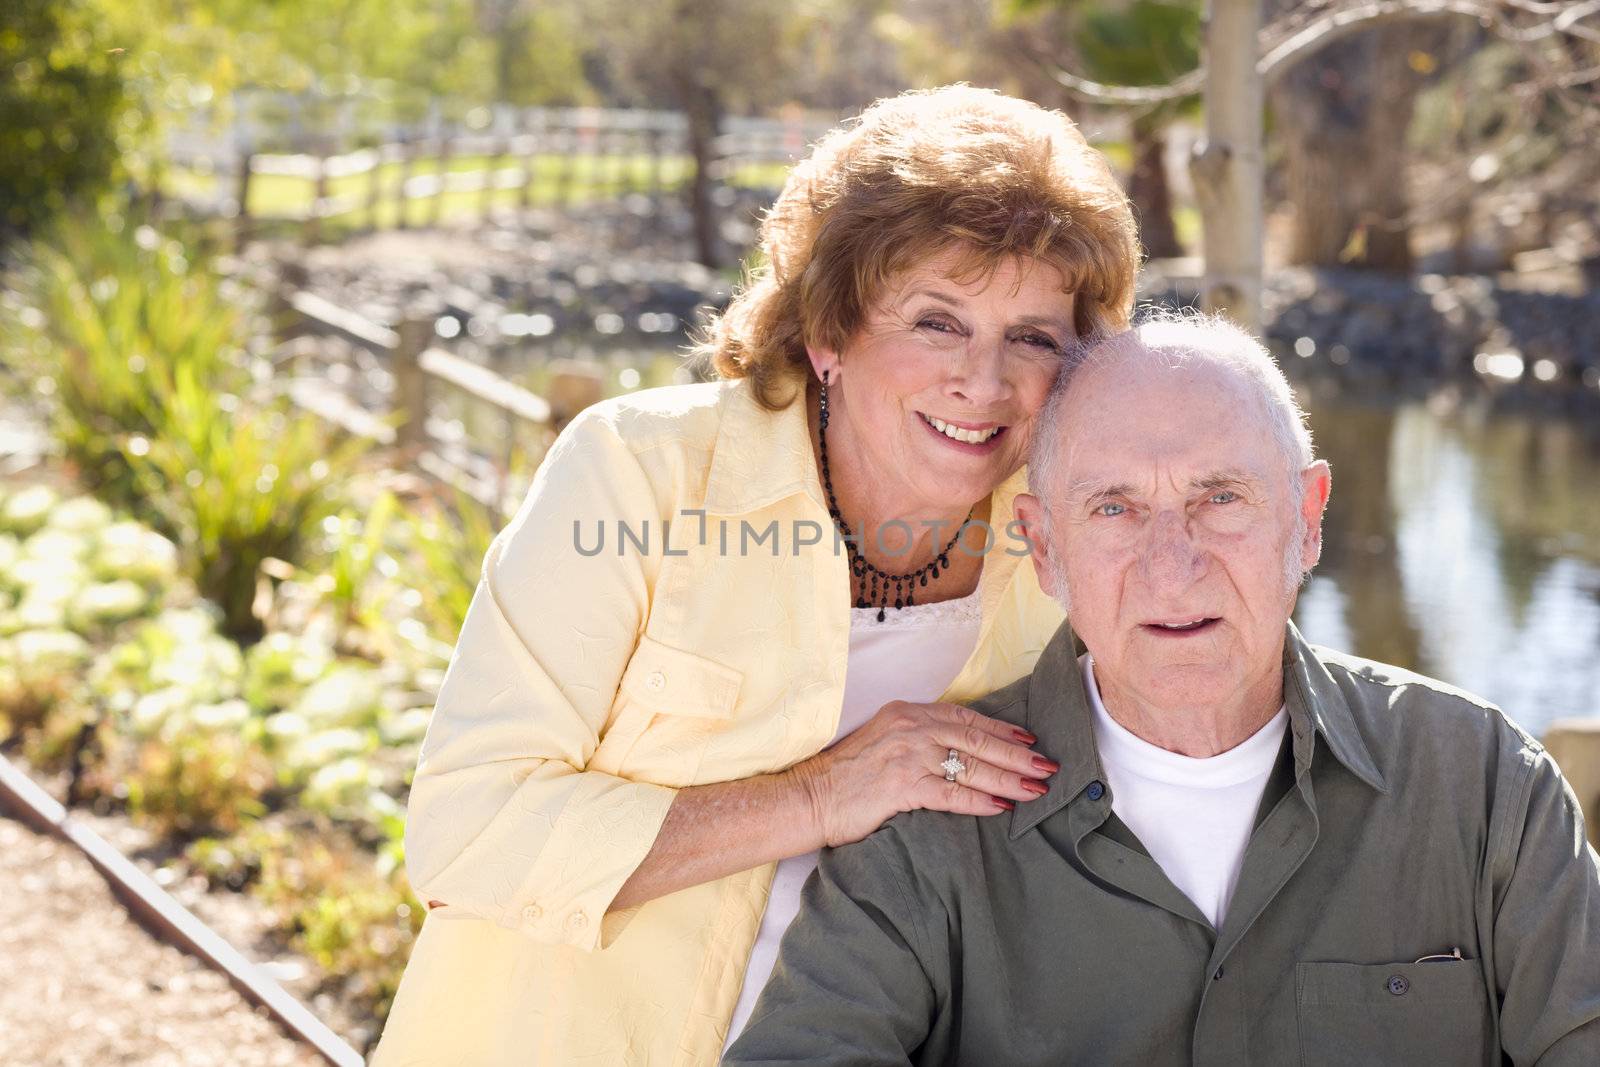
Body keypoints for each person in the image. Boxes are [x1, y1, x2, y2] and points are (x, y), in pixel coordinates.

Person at [369, 85, 1140, 1065]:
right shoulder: (639, 470)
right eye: (937, 322)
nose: (983, 381)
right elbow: (465, 838)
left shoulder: (1067, 531)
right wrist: (822, 795)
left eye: (1032, 337)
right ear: (829, 330)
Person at [724, 313, 1600, 1066]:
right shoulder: (924, 827)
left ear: (1308, 517)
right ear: (1044, 544)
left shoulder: (1485, 785)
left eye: (1221, 498)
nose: (1173, 570)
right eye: (1115, 508)